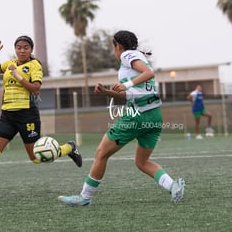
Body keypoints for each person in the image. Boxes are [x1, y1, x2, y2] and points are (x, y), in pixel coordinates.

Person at [58, 30, 185, 207]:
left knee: (101, 153)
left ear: (117, 45)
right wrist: (108, 92)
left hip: (137, 116)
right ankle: (173, 186)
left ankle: (85, 197)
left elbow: (149, 73)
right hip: (154, 115)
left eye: (113, 47)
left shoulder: (127, 54)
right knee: (142, 162)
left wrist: (125, 84)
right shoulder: (137, 57)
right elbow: (131, 94)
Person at [0, 35, 82, 199]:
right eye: (19, 47)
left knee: (36, 158)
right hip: (7, 115)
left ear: (31, 49)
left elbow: (36, 89)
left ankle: (68, 148)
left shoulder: (35, 65)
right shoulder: (10, 64)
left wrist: (18, 76)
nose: (22, 50)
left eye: (26, 47)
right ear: (15, 49)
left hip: (27, 115)